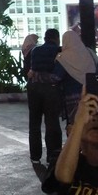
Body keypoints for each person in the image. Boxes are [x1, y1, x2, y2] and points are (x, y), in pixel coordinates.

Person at [27, 28, 62, 165]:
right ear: (56, 39)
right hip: (51, 89)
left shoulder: (35, 50)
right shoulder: (58, 51)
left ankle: (35, 156)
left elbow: (32, 69)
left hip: (34, 88)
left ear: (45, 38)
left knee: (34, 123)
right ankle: (52, 156)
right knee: (52, 122)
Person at [54, 30, 98, 130]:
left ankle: (76, 139)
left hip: (72, 96)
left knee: (75, 124)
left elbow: (57, 77)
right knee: (90, 123)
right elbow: (97, 69)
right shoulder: (89, 52)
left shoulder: (63, 57)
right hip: (90, 94)